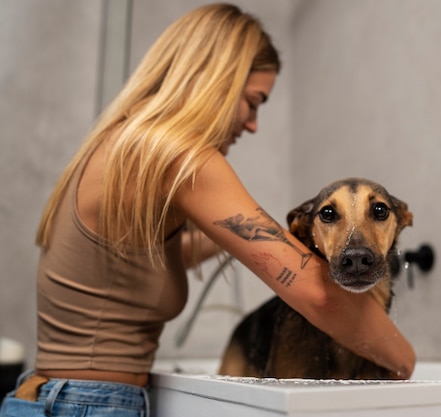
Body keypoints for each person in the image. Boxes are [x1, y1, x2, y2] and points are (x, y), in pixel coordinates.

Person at [0, 3, 416, 416]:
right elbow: (318, 295)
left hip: (50, 398)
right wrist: (404, 361)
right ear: (217, 82)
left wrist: (235, 240)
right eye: (253, 101)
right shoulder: (181, 157)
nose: (253, 123)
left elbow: (129, 269)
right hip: (89, 405)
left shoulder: (126, 145)